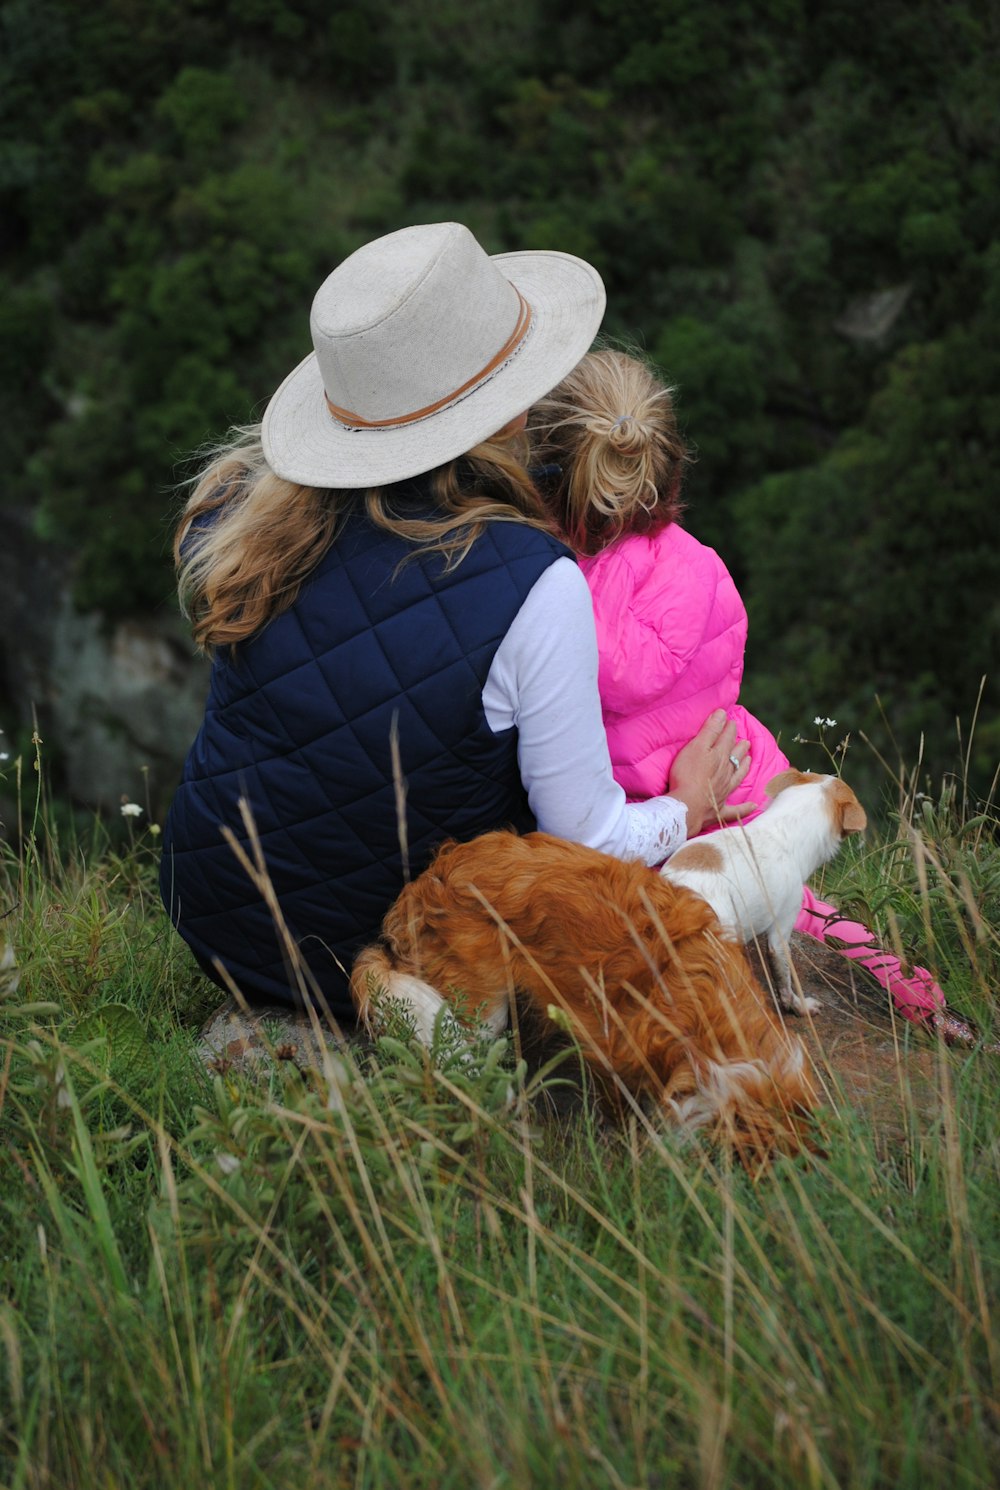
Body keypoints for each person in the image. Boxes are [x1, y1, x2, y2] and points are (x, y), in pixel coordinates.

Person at [159, 223, 750, 1021]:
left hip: (213, 914)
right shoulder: (533, 583)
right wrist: (687, 803)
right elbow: (586, 835)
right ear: (510, 411)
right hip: (389, 954)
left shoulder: (246, 511)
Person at [529, 347, 976, 1041]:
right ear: (665, 460)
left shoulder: (543, 593)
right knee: (801, 908)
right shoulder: (699, 566)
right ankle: (919, 1001)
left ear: (547, 470)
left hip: (647, 836)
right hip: (738, 777)